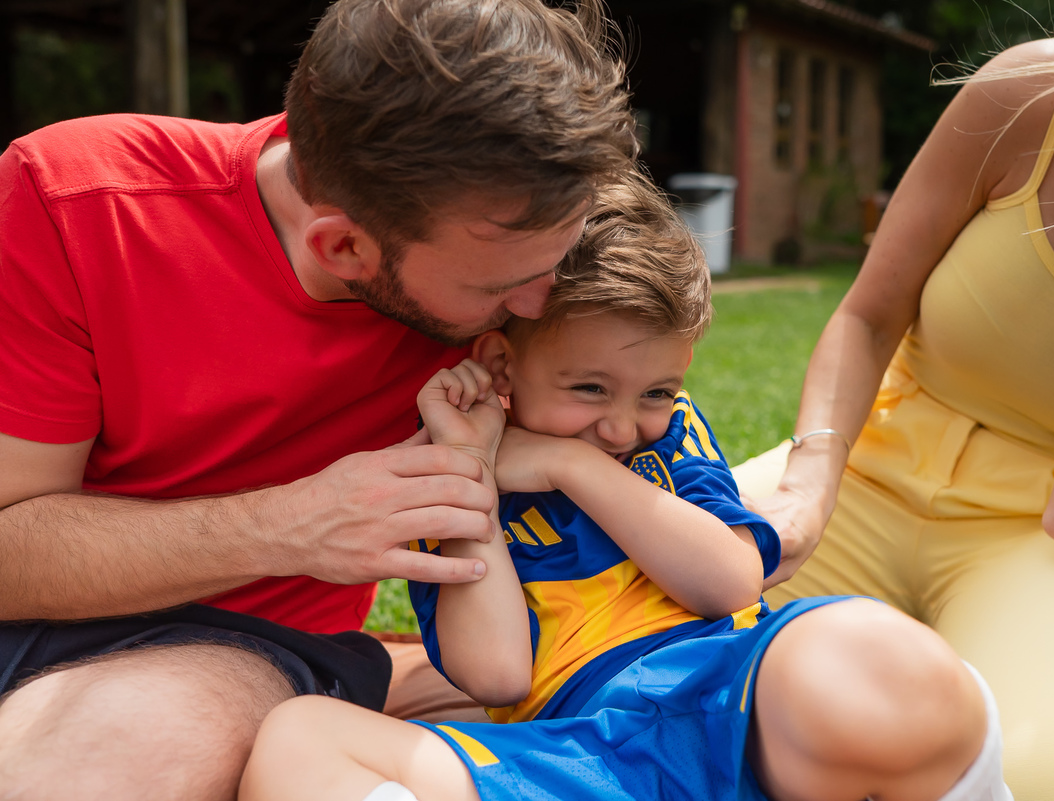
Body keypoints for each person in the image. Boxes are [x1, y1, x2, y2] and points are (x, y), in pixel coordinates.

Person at [0, 0, 636, 798]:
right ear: (343, 246)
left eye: (562, 255)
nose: (543, 306)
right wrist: (290, 525)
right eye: (503, 285)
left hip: (246, 648)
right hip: (35, 621)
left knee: (142, 739)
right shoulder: (84, 199)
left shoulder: (505, 243)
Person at [238, 174, 1013, 801]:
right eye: (588, 389)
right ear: (503, 363)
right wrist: (474, 476)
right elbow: (499, 674)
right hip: (583, 756)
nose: (622, 426)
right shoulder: (450, 468)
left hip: (736, 693)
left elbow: (729, 581)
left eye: (655, 391)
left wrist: (571, 465)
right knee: (299, 736)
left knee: (877, 659)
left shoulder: (666, 435)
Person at [731, 1, 1054, 798]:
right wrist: (809, 487)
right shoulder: (1028, 91)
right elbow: (865, 316)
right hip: (871, 471)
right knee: (620, 620)